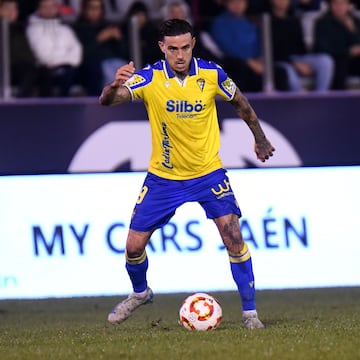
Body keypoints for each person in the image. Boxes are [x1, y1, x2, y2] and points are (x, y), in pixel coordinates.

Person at [99, 19, 275, 330]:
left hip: (209, 173)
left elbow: (239, 101)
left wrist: (259, 138)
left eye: (185, 47)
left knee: (234, 237)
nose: (179, 55)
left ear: (193, 43)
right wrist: (114, 86)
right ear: (162, 48)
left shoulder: (211, 73)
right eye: (172, 49)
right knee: (133, 247)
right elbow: (109, 101)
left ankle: (250, 314)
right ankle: (140, 293)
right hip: (164, 178)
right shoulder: (150, 78)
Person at [210, 0, 288, 92]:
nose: (238, 5)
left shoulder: (250, 20)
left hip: (256, 60)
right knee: (242, 71)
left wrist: (261, 58)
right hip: (234, 62)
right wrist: (249, 61)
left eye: (241, 2)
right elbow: (227, 47)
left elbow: (260, 42)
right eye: (234, 2)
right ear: (227, 4)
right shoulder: (220, 22)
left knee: (280, 72)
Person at [270, 0, 334, 91]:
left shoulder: (294, 19)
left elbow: (300, 47)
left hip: (298, 57)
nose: (282, 1)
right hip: (280, 61)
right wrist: (295, 64)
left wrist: (306, 63)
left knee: (326, 61)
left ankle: (320, 96)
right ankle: (299, 102)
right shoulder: (268, 21)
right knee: (290, 75)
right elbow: (273, 51)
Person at [26, 0, 82, 96]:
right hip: (44, 67)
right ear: (38, 9)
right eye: (45, 7)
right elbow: (40, 54)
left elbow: (76, 49)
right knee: (44, 74)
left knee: (70, 72)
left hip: (66, 67)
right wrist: (57, 63)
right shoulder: (32, 30)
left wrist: (67, 63)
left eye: (52, 6)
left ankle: (65, 106)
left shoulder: (65, 29)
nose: (49, 10)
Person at [73, 0, 129, 95]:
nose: (95, 12)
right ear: (85, 10)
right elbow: (82, 56)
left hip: (116, 63)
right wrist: (98, 40)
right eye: (92, 8)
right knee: (102, 71)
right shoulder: (79, 28)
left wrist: (119, 40)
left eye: (98, 8)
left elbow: (125, 54)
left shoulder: (108, 25)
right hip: (93, 66)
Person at [314, 0, 360, 89]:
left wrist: (352, 31)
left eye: (342, 4)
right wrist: (348, 52)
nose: (339, 7)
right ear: (330, 5)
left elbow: (357, 45)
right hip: (335, 61)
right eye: (336, 4)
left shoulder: (355, 21)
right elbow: (322, 48)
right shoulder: (322, 23)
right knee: (340, 63)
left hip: (353, 61)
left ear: (348, 5)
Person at [0, 0, 38, 97]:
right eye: (7, 9)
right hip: (3, 67)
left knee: (38, 70)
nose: (12, 12)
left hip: (18, 66)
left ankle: (23, 103)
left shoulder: (20, 28)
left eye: (15, 9)